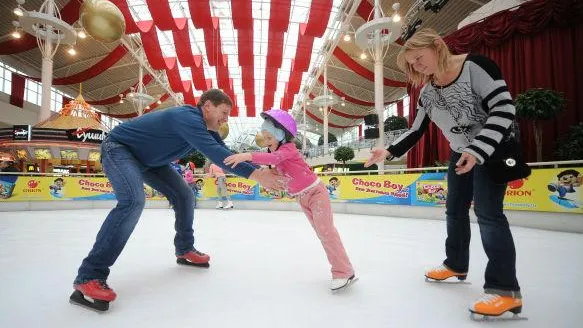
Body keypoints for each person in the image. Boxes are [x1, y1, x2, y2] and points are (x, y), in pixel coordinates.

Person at [70, 89, 284, 311]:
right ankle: (89, 276)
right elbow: (216, 154)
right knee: (133, 201)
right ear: (207, 106)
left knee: (184, 195)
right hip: (120, 149)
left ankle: (184, 249)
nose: (226, 119)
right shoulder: (187, 118)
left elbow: (225, 151)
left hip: (150, 162)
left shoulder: (205, 129)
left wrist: (259, 169)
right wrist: (258, 176)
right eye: (224, 112)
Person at [364, 28, 523, 318]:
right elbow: (416, 129)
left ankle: (505, 290)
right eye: (412, 64)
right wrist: (387, 151)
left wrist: (477, 151)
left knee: (488, 214)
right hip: (459, 151)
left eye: (419, 58)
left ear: (437, 46)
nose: (417, 66)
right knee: (454, 210)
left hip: (493, 148)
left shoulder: (475, 66)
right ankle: (456, 264)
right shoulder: (427, 92)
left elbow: (504, 108)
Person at [224, 109, 356, 292]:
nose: (267, 143)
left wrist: (248, 155)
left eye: (270, 138)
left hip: (316, 193)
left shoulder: (288, 149)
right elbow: (277, 168)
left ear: (281, 135)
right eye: (265, 138)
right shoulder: (276, 153)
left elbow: (275, 157)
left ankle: (343, 271)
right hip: (302, 198)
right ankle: (344, 269)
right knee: (322, 233)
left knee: (326, 232)